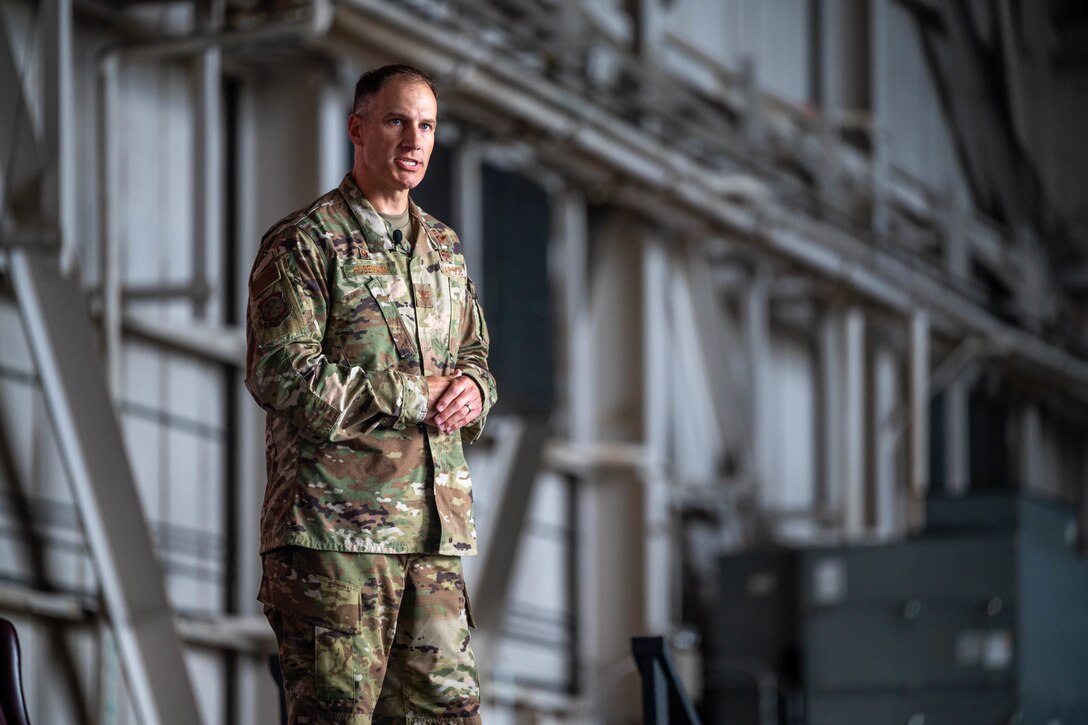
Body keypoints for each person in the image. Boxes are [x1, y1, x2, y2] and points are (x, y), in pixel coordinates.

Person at [245, 64, 497, 725]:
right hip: (338, 540)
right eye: (396, 121)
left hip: (433, 538)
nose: (414, 139)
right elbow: (280, 372)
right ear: (357, 129)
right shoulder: (306, 242)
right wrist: (415, 396)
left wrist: (473, 389)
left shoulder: (443, 248)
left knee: (450, 716)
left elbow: (474, 358)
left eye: (427, 126)